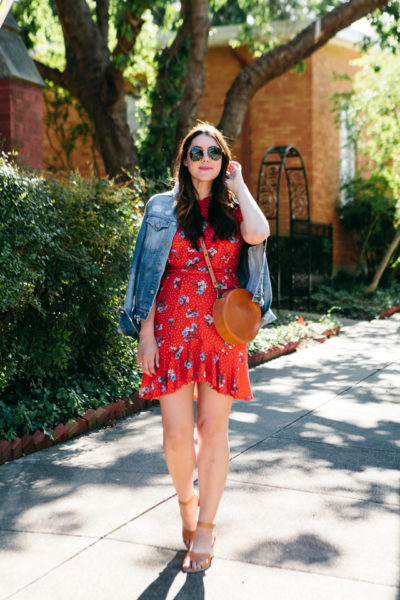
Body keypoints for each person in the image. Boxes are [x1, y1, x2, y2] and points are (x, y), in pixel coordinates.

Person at [118, 122, 274, 573]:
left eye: (214, 152)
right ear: (184, 160)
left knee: (214, 431)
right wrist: (145, 335)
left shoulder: (233, 208)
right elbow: (147, 273)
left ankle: (205, 527)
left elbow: (259, 234)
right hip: (170, 328)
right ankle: (188, 502)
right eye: (196, 151)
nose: (205, 158)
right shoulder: (161, 208)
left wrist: (240, 186)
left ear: (224, 161)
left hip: (222, 330)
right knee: (175, 436)